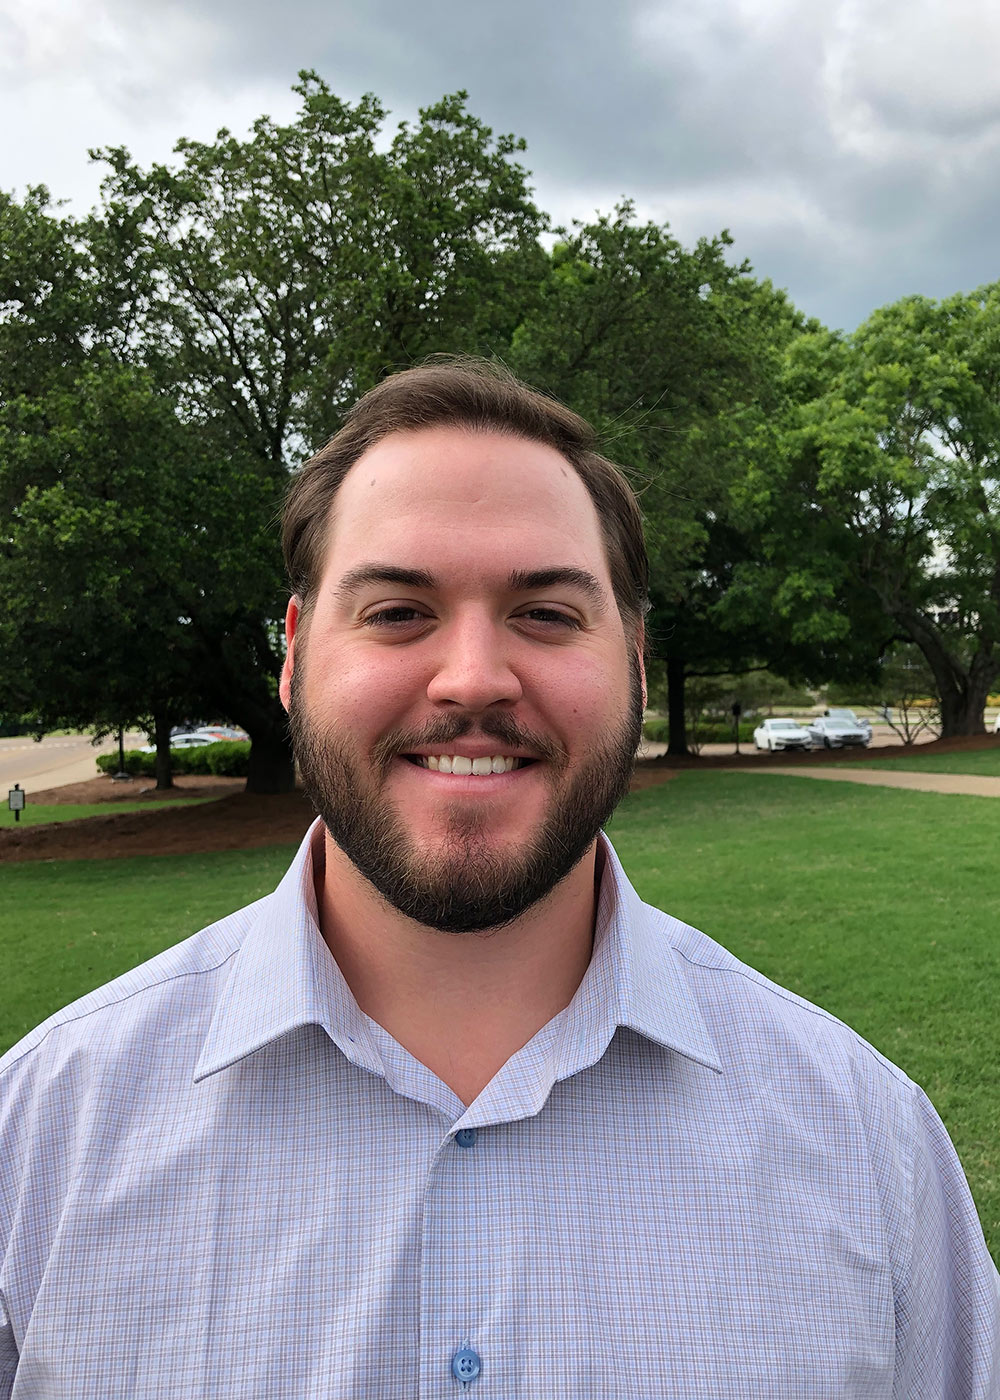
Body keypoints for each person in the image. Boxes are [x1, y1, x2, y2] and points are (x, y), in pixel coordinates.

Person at [0, 359, 997, 1399]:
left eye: (547, 614)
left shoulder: (866, 1141)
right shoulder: (38, 1139)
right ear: (294, 657)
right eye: (395, 610)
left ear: (637, 663)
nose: (473, 676)